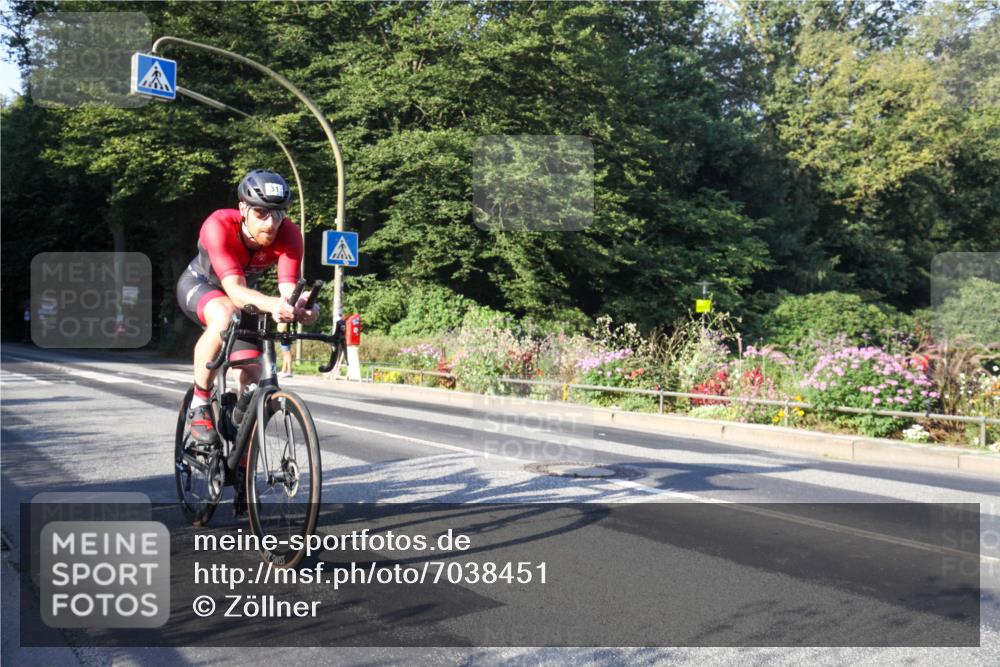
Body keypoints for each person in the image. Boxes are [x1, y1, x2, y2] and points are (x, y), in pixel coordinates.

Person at [176, 169, 318, 444]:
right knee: (226, 314)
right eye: (261, 213)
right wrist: (274, 305)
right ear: (243, 208)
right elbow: (235, 291)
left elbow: (287, 288)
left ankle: (242, 449)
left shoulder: (289, 234)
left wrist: (302, 306)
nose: (270, 223)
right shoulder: (218, 225)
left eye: (277, 213)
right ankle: (200, 402)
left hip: (245, 297)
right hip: (202, 286)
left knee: (254, 371)